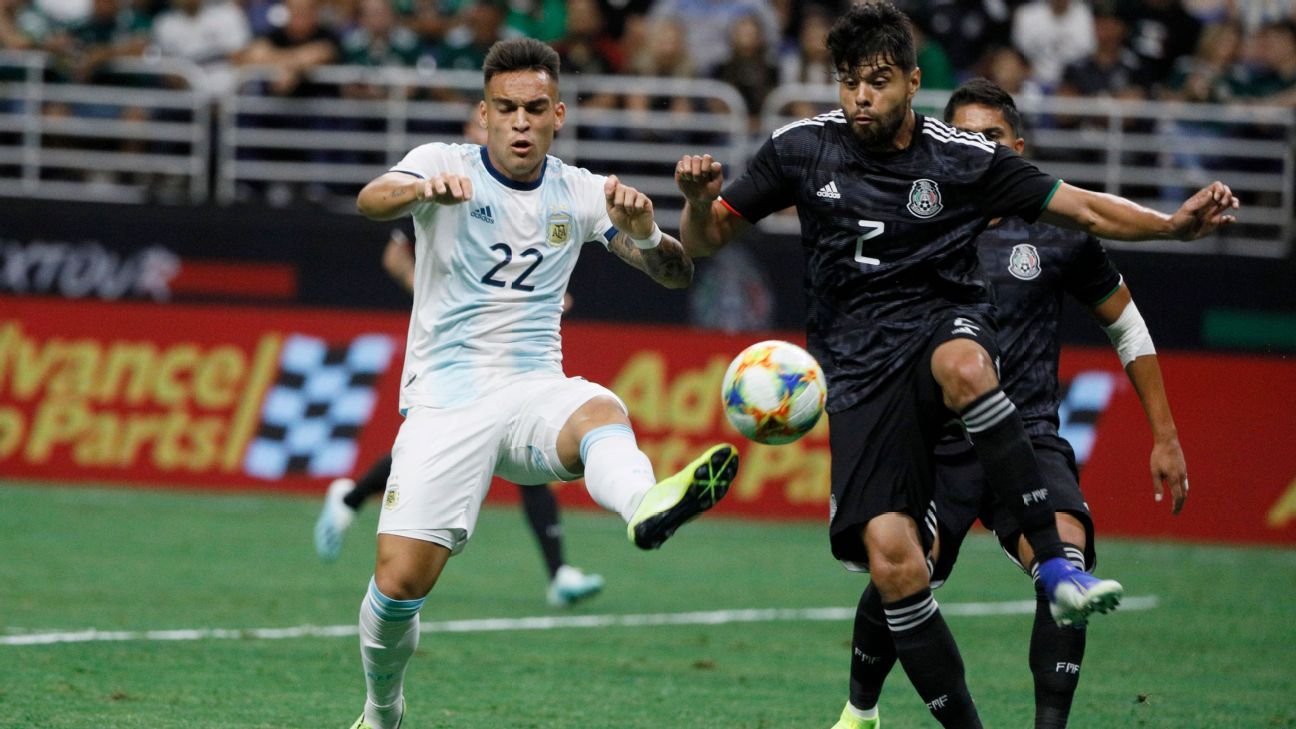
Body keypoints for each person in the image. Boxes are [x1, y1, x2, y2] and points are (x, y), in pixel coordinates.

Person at [673, 3, 1236, 726]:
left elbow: (1086, 211)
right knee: (894, 562)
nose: (861, 97)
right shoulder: (801, 149)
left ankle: (1056, 568)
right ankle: (891, 711)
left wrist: (1171, 226)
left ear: (913, 82)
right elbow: (706, 240)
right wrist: (696, 204)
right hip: (859, 374)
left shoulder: (962, 157)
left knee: (967, 364)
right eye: (849, 82)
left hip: (945, 334)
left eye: (878, 81)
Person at [345, 37, 740, 729]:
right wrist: (419, 190)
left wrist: (648, 235)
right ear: (484, 115)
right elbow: (370, 201)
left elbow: (677, 274)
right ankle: (383, 710)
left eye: (534, 108)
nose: (520, 122)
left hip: (533, 391)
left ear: (558, 114)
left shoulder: (580, 191)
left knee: (600, 407)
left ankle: (645, 505)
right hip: (447, 400)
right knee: (398, 584)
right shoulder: (442, 164)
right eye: (505, 109)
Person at [843, 78, 1190, 729]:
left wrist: (1164, 435)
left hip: (1025, 435)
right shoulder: (911, 227)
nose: (978, 148)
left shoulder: (1058, 233)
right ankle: (858, 712)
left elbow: (1128, 327)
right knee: (900, 567)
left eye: (992, 137)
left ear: (1017, 149)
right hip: (938, 446)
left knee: (1067, 559)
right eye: (963, 137)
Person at [315, 229, 606, 609]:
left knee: (529, 460)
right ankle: (351, 498)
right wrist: (428, 292)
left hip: (508, 351)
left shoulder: (526, 206)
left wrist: (544, 298)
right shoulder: (447, 195)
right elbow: (394, 253)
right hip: (454, 350)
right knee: (432, 447)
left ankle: (559, 573)